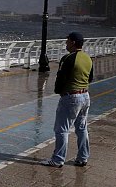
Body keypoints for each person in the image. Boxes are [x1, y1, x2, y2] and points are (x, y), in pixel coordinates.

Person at [42, 32, 93, 168]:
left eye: (68, 41)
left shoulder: (67, 58)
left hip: (71, 97)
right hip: (85, 95)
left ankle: (58, 160)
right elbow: (90, 78)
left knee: (62, 129)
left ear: (73, 42)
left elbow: (60, 79)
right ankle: (83, 158)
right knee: (81, 128)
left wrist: (59, 91)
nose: (66, 43)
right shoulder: (88, 58)